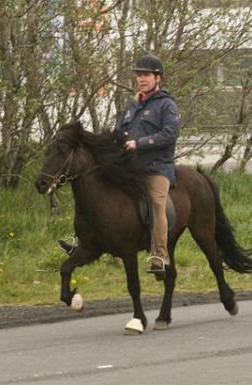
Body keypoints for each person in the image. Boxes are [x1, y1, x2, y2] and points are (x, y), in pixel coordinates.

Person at [59, 54, 181, 273]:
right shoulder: (133, 105)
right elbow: (120, 132)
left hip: (157, 167)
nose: (141, 79)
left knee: (156, 201)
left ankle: (160, 256)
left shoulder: (167, 105)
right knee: (95, 191)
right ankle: (83, 242)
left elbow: (170, 134)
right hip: (131, 166)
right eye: (139, 75)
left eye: (146, 75)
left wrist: (140, 143)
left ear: (158, 78)